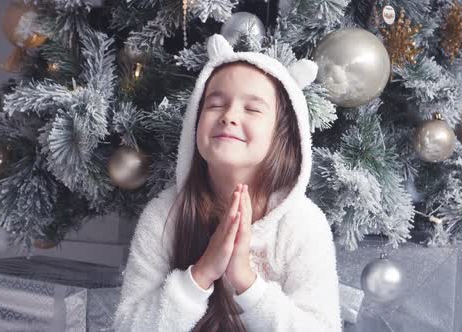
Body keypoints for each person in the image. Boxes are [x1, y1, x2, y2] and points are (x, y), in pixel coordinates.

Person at [114, 34, 341, 331]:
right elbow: (127, 325)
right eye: (215, 104)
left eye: (252, 109)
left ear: (281, 135)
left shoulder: (303, 223)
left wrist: (246, 281)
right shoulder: (164, 215)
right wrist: (202, 273)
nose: (229, 116)